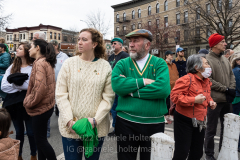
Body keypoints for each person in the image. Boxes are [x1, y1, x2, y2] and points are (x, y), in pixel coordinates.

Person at [55, 28, 115, 160]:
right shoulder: (69, 64)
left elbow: (108, 98)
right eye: (79, 39)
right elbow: (60, 94)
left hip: (95, 129)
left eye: (84, 39)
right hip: (71, 128)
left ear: (94, 44)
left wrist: (95, 120)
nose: (79, 42)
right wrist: (69, 120)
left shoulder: (105, 66)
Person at [112, 29, 170, 160]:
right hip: (126, 123)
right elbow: (117, 85)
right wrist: (143, 81)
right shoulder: (122, 63)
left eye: (135, 41)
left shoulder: (159, 63)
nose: (131, 44)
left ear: (147, 45)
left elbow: (163, 89)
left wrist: (130, 91)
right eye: (130, 41)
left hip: (154, 124)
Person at [171, 54, 217, 160]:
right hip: (184, 120)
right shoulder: (186, 79)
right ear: (197, 67)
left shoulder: (206, 81)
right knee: (182, 152)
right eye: (206, 64)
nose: (209, 66)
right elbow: (174, 97)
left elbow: (207, 96)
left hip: (200, 121)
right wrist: (194, 100)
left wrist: (211, 102)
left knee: (197, 153)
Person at [1, 42, 37, 160]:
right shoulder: (13, 67)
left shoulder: (33, 67)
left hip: (28, 104)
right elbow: (4, 86)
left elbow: (31, 86)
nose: (17, 50)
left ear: (27, 52)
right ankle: (19, 155)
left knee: (31, 133)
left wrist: (14, 83)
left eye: (20, 48)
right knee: (19, 133)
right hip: (13, 105)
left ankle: (33, 155)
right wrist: (19, 85)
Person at [23, 39, 57, 160]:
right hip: (46, 106)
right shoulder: (45, 61)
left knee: (41, 141)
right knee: (40, 141)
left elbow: (39, 88)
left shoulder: (40, 63)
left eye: (31, 47)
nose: (29, 49)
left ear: (37, 48)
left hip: (40, 108)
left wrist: (28, 102)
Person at [204, 33, 236, 160]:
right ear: (215, 45)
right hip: (214, 101)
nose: (225, 44)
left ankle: (223, 152)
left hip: (227, 100)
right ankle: (209, 155)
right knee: (211, 130)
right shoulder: (207, 60)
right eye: (222, 42)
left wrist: (231, 89)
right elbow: (209, 80)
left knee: (226, 129)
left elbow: (231, 75)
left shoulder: (225, 59)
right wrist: (226, 89)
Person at [108, 37, 129, 136]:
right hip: (111, 86)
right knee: (113, 108)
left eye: (115, 43)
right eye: (112, 43)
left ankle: (121, 129)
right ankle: (116, 128)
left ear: (120, 45)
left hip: (121, 86)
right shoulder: (111, 57)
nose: (113, 45)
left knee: (120, 108)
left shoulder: (125, 56)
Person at [33, 31, 51, 138]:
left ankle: (46, 130)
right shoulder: (34, 51)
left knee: (45, 107)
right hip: (36, 82)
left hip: (45, 85)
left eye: (35, 38)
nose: (33, 40)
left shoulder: (46, 54)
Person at [49, 40, 69, 117]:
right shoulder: (48, 56)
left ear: (56, 46)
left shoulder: (64, 57)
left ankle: (59, 109)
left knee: (60, 101)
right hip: (51, 84)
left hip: (61, 84)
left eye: (51, 46)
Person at [165, 50, 179, 123]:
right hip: (167, 86)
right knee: (167, 102)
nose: (171, 56)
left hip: (175, 86)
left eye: (172, 54)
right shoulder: (164, 64)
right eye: (170, 54)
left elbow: (176, 74)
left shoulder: (174, 65)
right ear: (166, 56)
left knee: (174, 102)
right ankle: (167, 117)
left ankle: (171, 116)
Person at [231, 54, 240, 152]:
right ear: (237, 61)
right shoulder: (237, 71)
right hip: (238, 98)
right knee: (237, 121)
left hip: (237, 98)